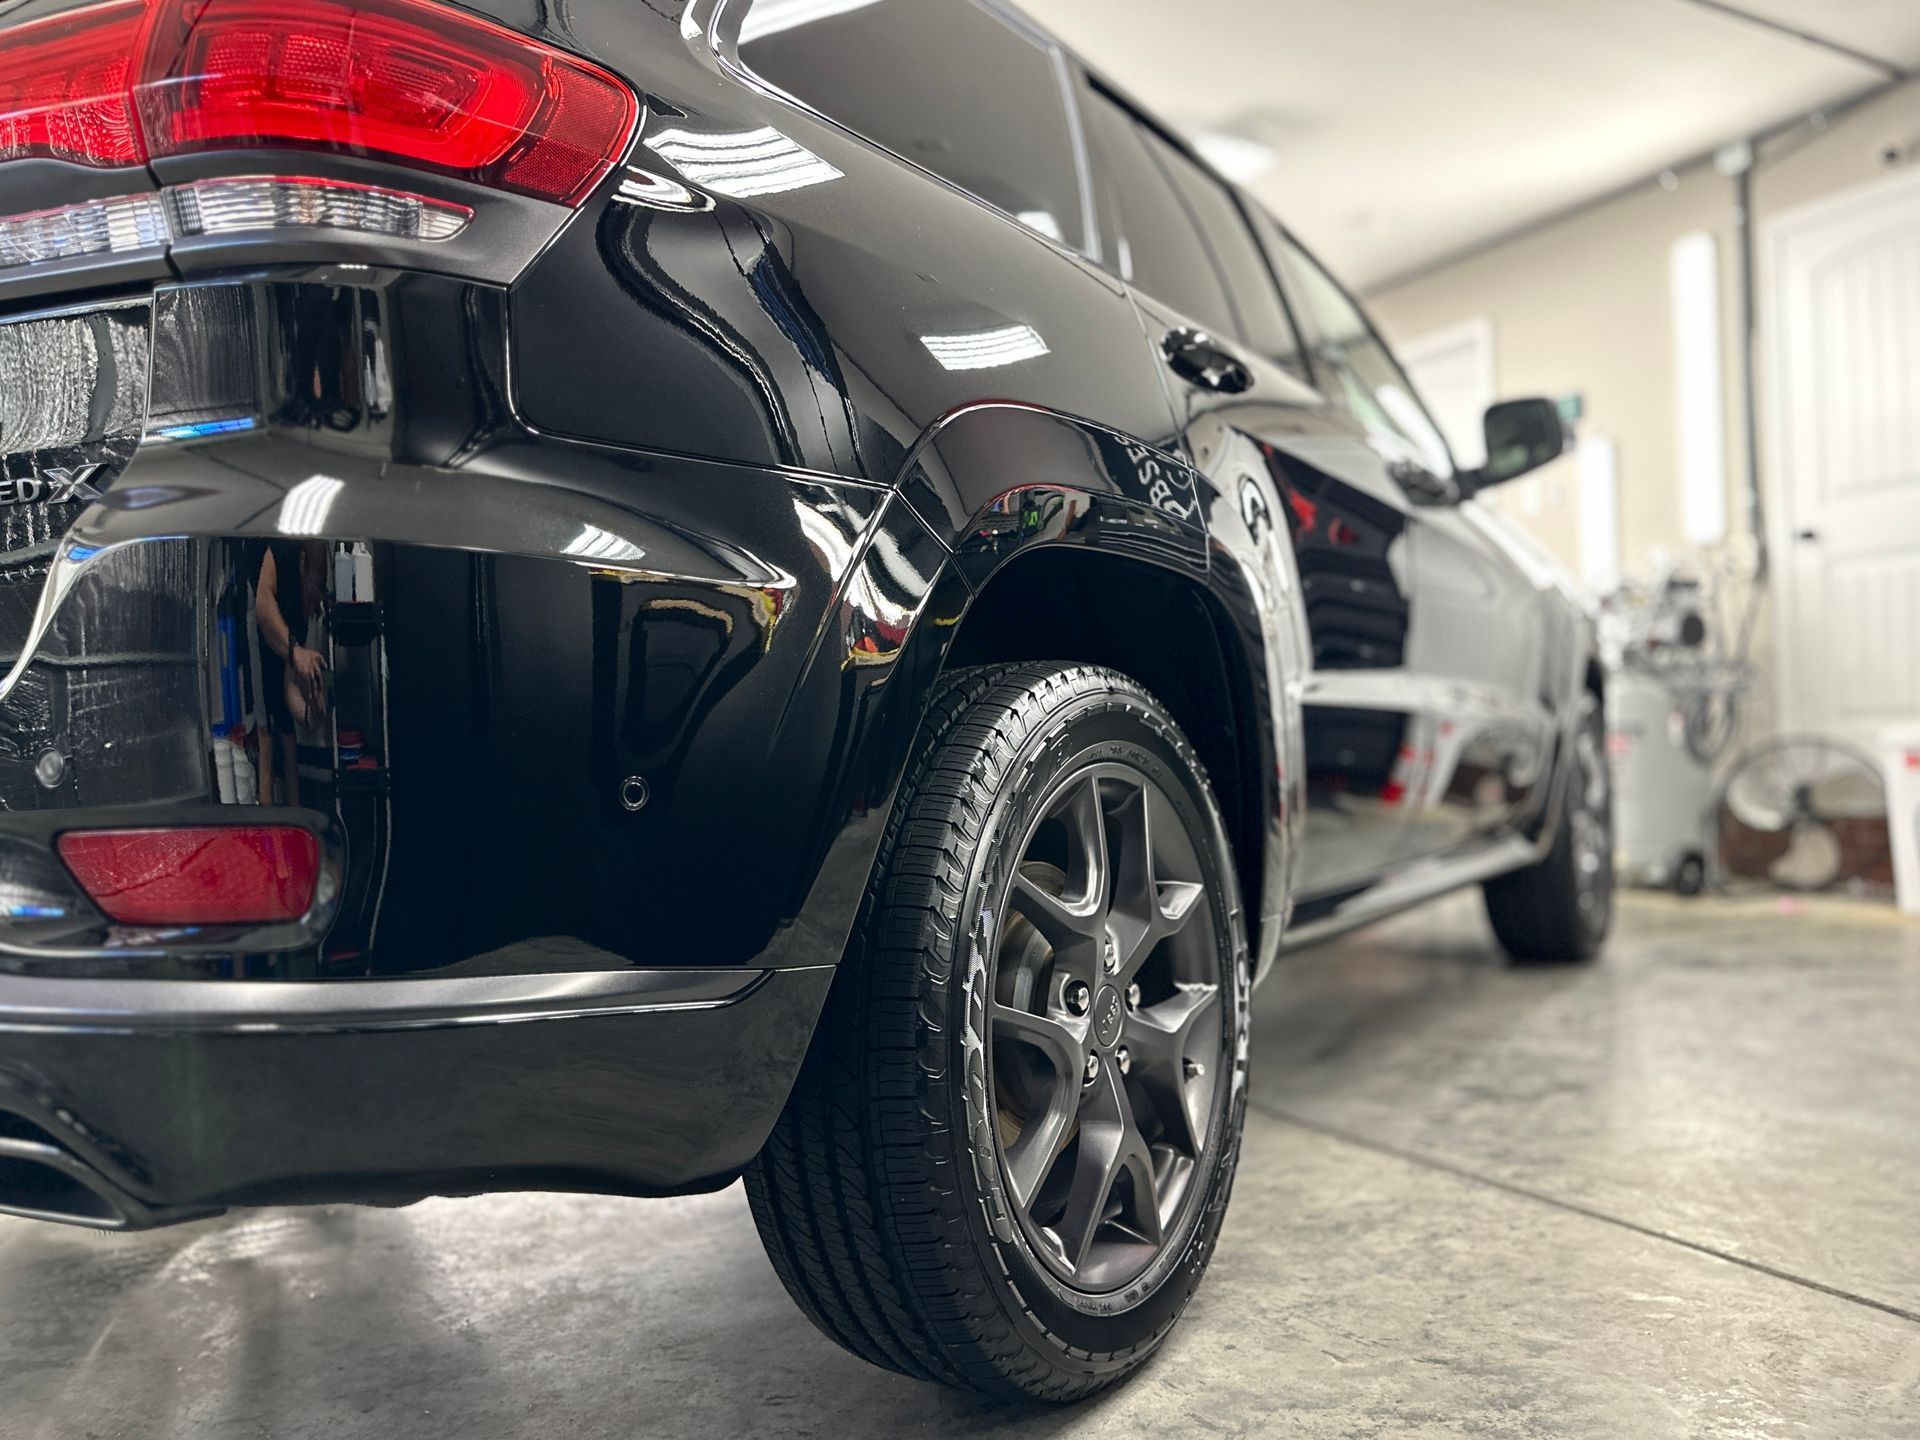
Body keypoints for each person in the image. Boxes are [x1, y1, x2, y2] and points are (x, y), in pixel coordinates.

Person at [255, 540, 329, 806]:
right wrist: (296, 653)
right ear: (303, 563)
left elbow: (288, 688)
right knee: (266, 736)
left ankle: (294, 821)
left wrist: (313, 714)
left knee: (287, 736)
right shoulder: (282, 550)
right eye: (315, 587)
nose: (316, 602)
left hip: (279, 660)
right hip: (254, 654)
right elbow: (262, 606)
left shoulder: (299, 611)